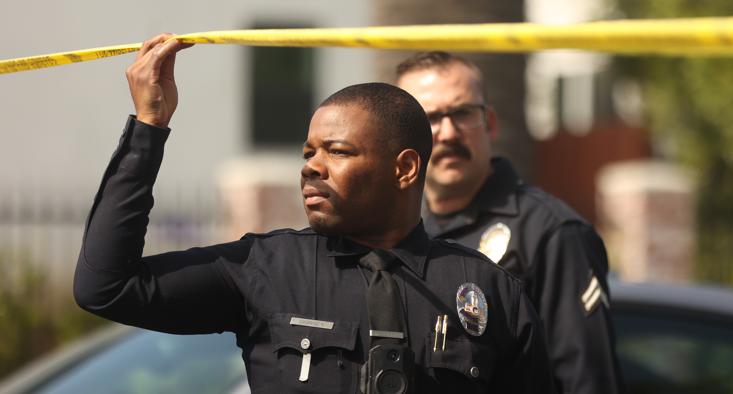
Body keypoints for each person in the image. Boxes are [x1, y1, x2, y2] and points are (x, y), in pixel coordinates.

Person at [73, 34, 553, 394]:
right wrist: (149, 126)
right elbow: (107, 288)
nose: (311, 169)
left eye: (337, 151)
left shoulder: (489, 291)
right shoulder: (264, 267)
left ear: (404, 168)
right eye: (308, 153)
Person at [395, 51, 623, 394]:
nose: (447, 132)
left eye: (462, 113)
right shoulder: (396, 231)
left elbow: (588, 381)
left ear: (490, 123)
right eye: (430, 118)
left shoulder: (550, 233)